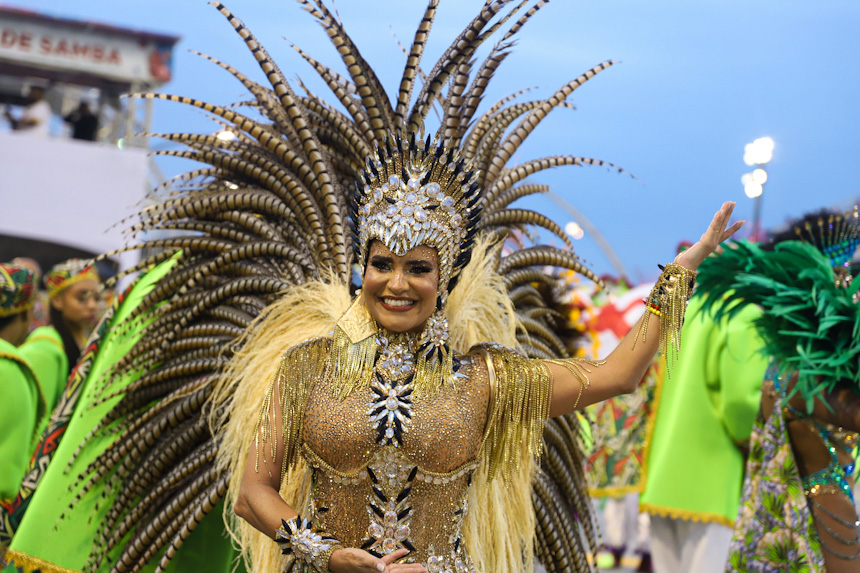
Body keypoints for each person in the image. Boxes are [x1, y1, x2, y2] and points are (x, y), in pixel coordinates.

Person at [0, 4, 742, 573]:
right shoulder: (306, 367)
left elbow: (618, 373)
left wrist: (677, 279)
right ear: (362, 266)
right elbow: (251, 490)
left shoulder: (487, 379)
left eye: (419, 268)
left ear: (443, 279)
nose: (397, 282)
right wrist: (320, 550)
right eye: (383, 262)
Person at [696, 208, 860, 573]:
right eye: (842, 280)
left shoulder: (784, 366)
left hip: (792, 518)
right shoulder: (809, 379)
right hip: (821, 523)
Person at [638, 244, 769, 573]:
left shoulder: (688, 310)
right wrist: (755, 443)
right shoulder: (743, 314)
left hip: (664, 475)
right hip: (712, 479)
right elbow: (741, 401)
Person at [45, 259, 101, 376]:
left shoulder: (86, 340)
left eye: (97, 298)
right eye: (82, 298)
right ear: (57, 300)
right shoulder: (46, 346)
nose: (92, 306)